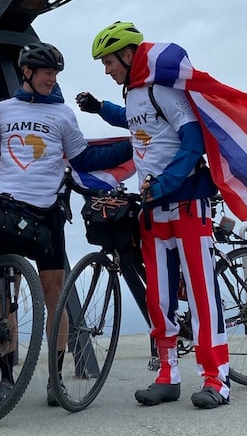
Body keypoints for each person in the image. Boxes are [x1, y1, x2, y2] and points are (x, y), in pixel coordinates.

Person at [77, 21, 230, 410]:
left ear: (129, 56)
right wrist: (99, 108)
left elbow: (193, 141)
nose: (107, 69)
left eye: (109, 62)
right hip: (153, 210)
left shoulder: (164, 90)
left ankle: (217, 379)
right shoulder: (133, 93)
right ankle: (168, 375)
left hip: (187, 202)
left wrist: (165, 183)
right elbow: (134, 123)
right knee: (159, 296)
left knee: (200, 293)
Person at [0, 41, 132, 407]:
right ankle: (5, 379)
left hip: (47, 212)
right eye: (48, 72)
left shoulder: (63, 114)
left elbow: (84, 158)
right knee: (4, 300)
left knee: (55, 296)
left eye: (56, 74)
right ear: (27, 73)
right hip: (7, 209)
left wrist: (134, 144)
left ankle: (56, 378)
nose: (53, 78)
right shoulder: (2, 110)